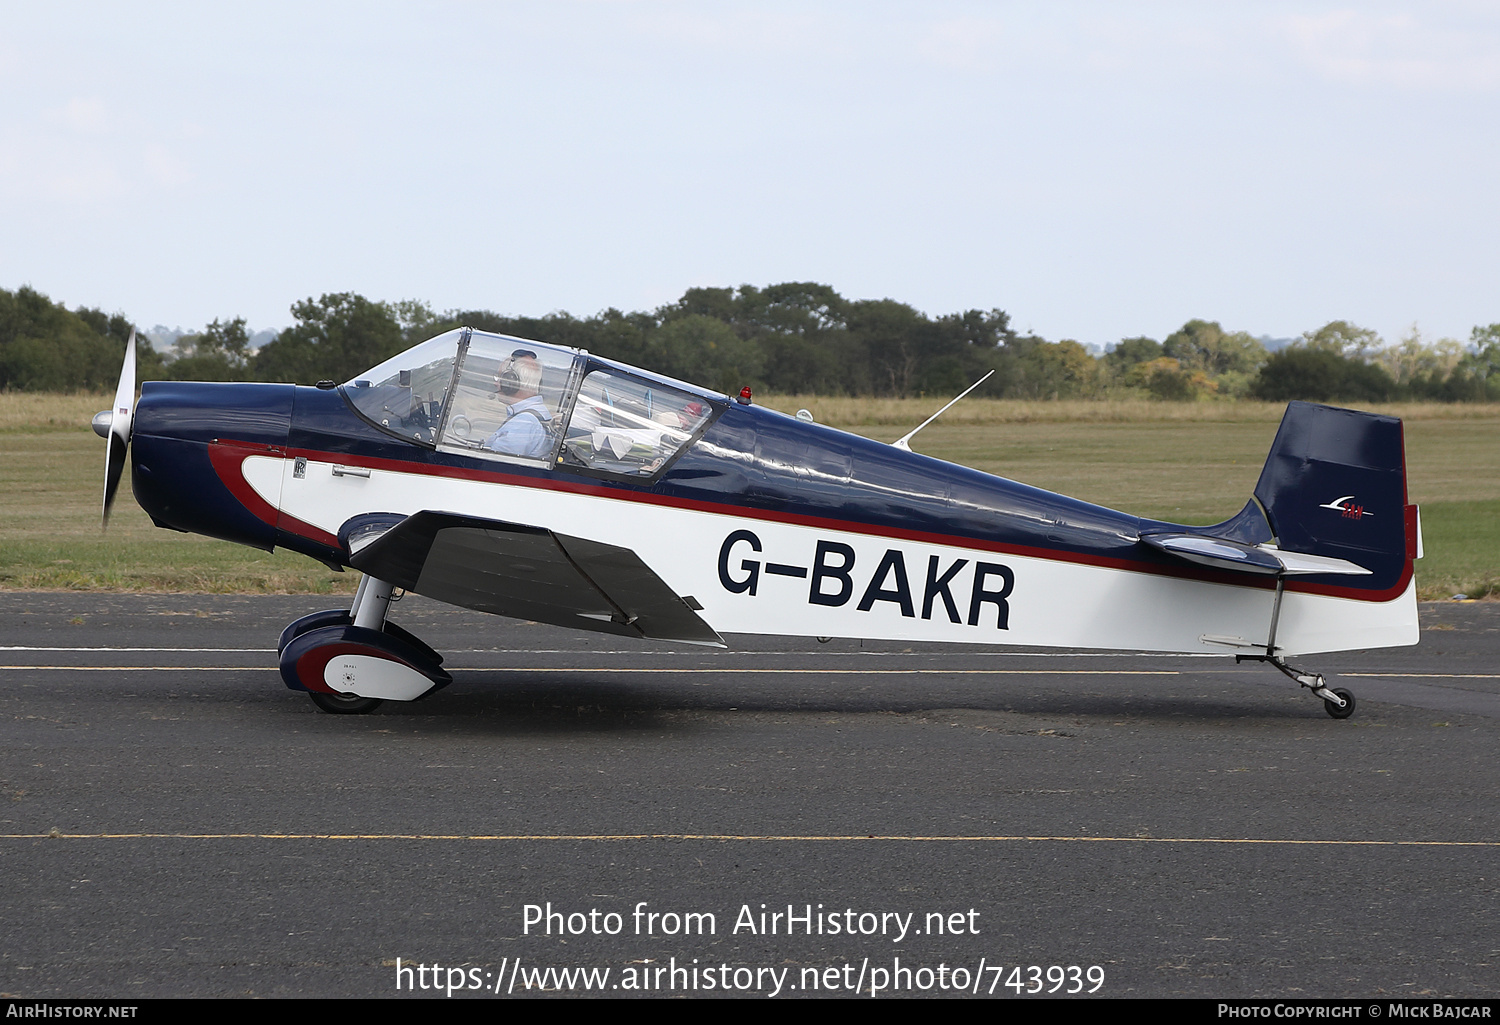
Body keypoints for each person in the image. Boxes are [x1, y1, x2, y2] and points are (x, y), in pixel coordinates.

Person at [484, 350, 552, 458]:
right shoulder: (535, 415)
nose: (495, 383)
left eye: (500, 378)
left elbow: (493, 466)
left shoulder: (523, 423)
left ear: (511, 382)